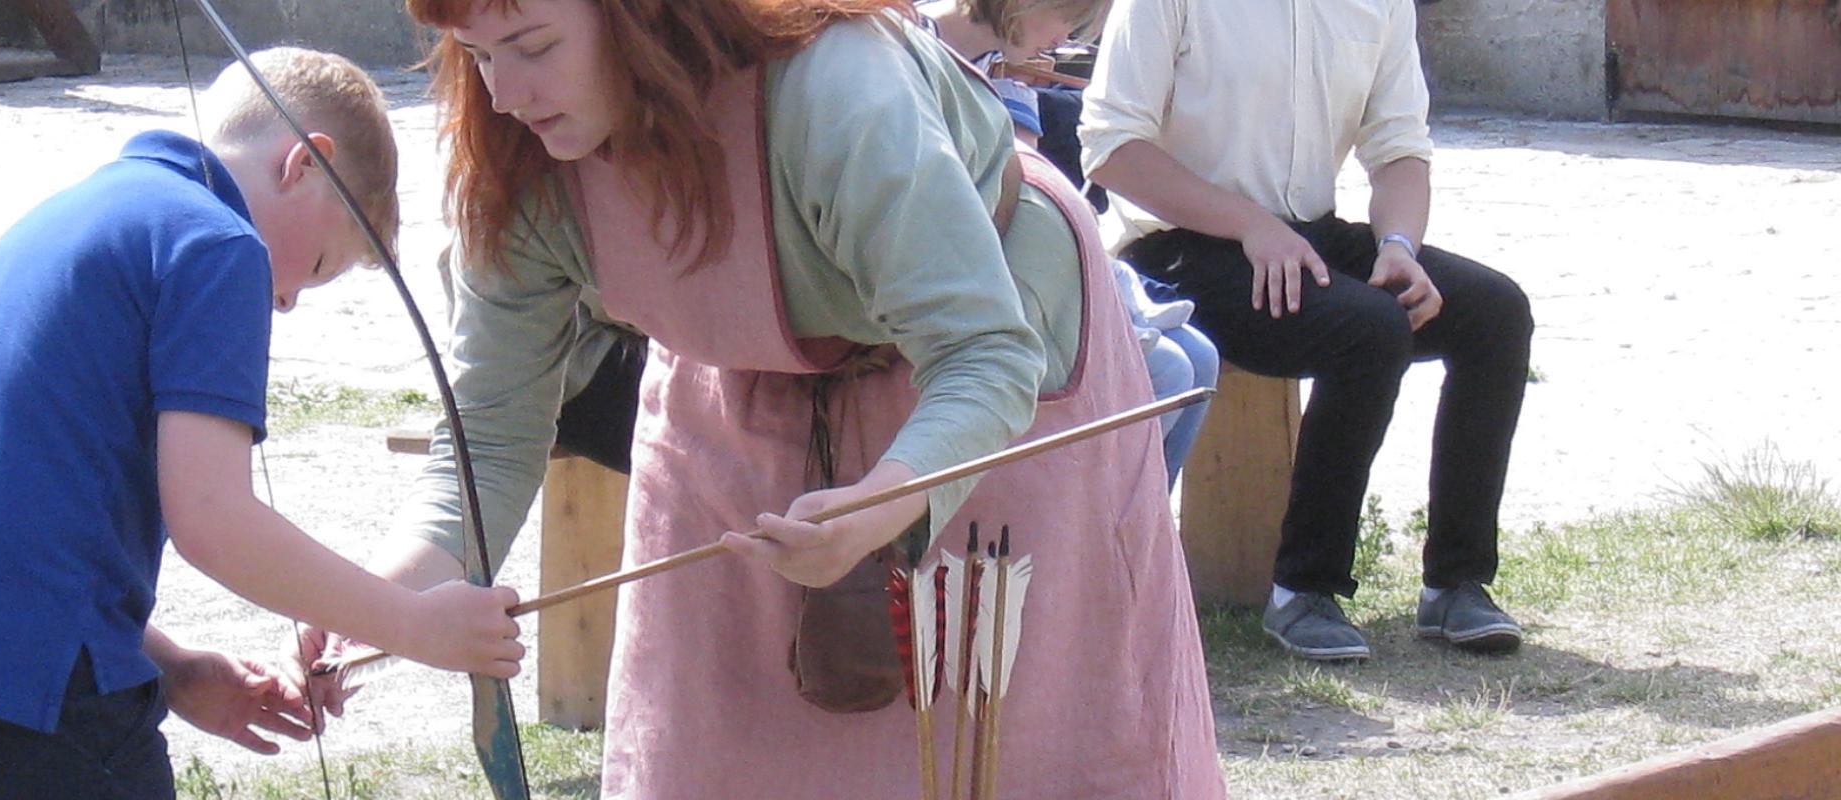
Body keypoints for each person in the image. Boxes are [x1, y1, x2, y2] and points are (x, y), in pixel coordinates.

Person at [318, 1, 1225, 796]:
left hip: (978, 372)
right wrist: (377, 596)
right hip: (734, 387)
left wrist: (884, 501)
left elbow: (984, 353)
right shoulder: (514, 152)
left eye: (533, 44)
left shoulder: (836, 89)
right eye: (476, 54)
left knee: (1006, 738)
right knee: (717, 742)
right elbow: (488, 433)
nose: (505, 90)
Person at [0, 48, 525, 798]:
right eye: (319, 267)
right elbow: (212, 519)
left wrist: (171, 667)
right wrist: (414, 625)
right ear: (306, 164)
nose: (288, 303)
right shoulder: (216, 243)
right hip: (42, 701)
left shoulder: (67, 218)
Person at [1081, 0, 1536, 661]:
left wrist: (1400, 245)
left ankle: (1456, 583)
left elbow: (1400, 149)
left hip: (1304, 233)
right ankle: (1304, 589)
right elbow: (1112, 149)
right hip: (1179, 247)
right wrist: (1248, 224)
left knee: (1495, 314)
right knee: (1370, 329)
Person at [918, 0, 1219, 487]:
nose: (1066, 42)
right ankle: (1097, 542)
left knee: (1199, 358)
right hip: (951, 285)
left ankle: (1128, 548)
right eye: (1070, 19)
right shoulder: (912, 48)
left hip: (1000, 265)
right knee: (1166, 373)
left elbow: (1022, 194)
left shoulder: (1002, 70)